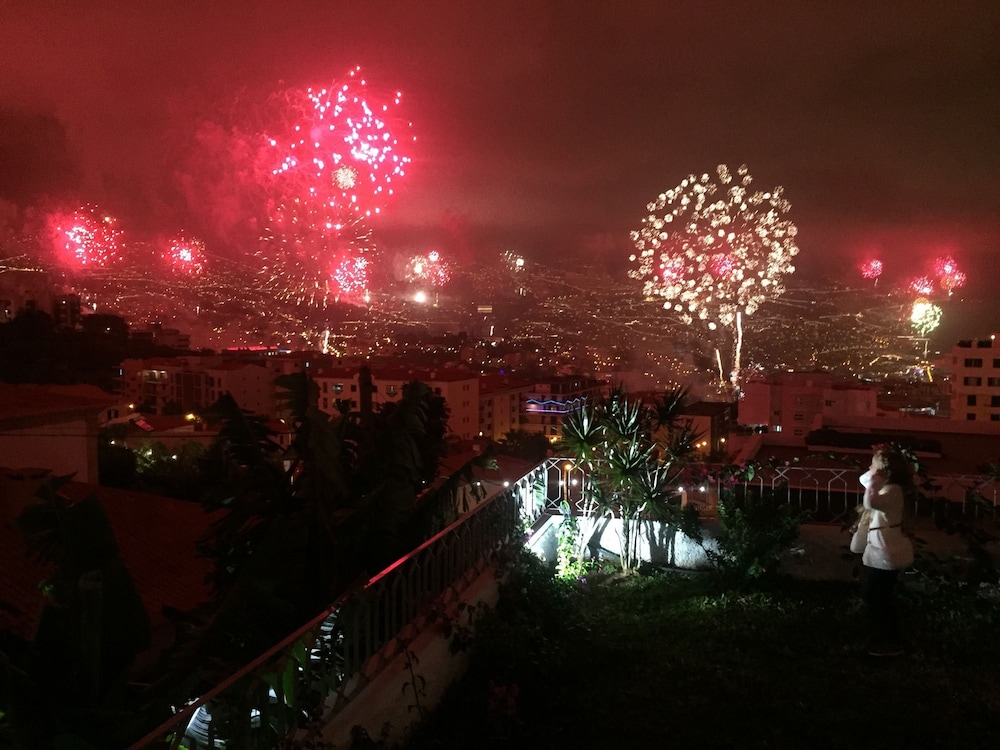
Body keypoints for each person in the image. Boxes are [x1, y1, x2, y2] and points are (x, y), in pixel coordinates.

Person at [856, 444, 914, 657]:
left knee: (878, 596)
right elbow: (863, 479)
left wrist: (875, 480)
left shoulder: (892, 491)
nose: (869, 470)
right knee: (876, 595)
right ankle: (885, 636)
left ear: (883, 472)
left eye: (873, 466)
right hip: (881, 552)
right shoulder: (886, 486)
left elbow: (870, 502)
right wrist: (875, 473)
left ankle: (891, 640)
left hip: (886, 553)